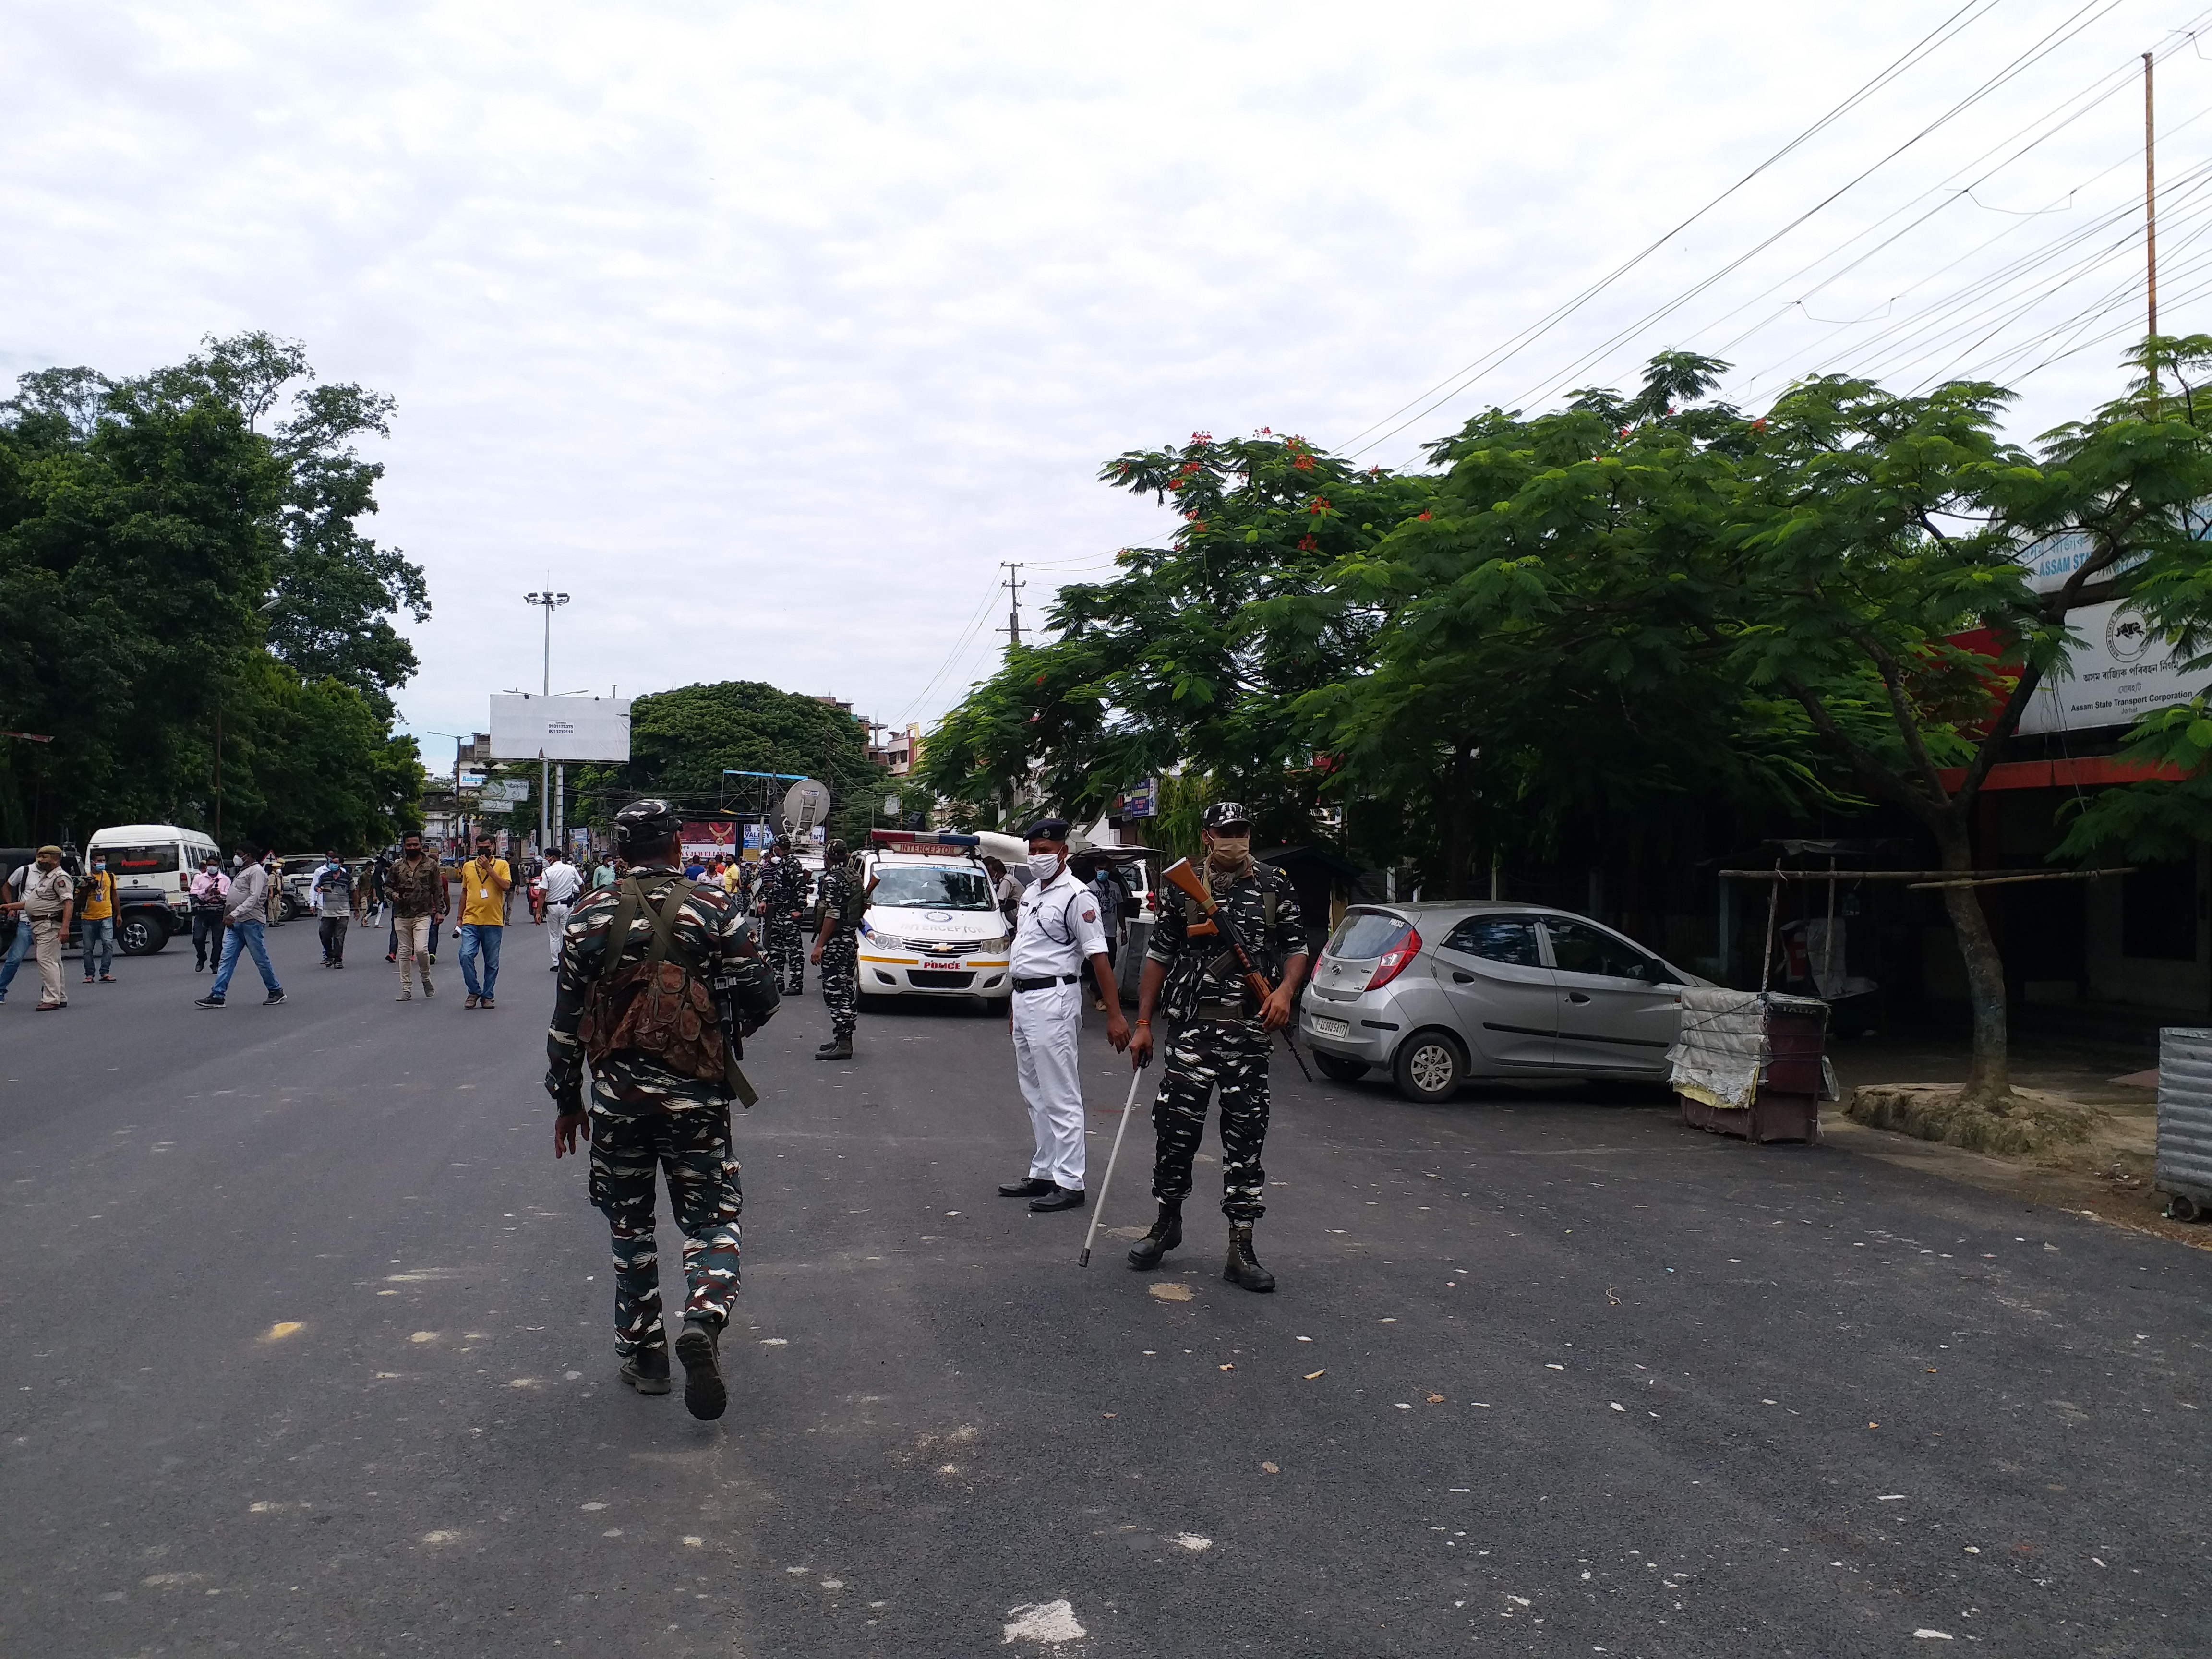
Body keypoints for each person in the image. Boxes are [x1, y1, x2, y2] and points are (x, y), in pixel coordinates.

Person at [547, 798, 779, 1418]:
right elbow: (763, 994)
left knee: (631, 1229)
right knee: (712, 1222)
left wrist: (569, 1102)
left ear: (619, 854)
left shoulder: (587, 915)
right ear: (679, 847)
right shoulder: (714, 906)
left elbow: (567, 1025)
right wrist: (717, 1031)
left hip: (617, 1102)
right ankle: (703, 1318)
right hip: (698, 1097)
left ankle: (646, 1357)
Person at [1126, 803, 1308, 1292]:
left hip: (1249, 1037)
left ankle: (1241, 1246)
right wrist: (1143, 1023)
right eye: (1226, 832)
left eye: (1242, 831)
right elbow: (1158, 957)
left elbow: (1296, 948)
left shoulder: (1275, 884)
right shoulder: (1183, 887)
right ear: (1208, 836)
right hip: (1191, 1034)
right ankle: (1166, 1224)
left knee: (1246, 1141)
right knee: (1175, 1135)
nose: (1235, 839)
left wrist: (1286, 992)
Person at [998, 818, 1130, 1212]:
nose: (1038, 856)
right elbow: (1025, 953)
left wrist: (1116, 1015)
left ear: (1063, 853)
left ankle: (1071, 1181)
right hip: (1025, 998)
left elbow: (1099, 958)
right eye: (1033, 850)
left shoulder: (1077, 896)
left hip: (1054, 999)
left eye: (1045, 850)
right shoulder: (1033, 894)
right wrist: (1012, 1006)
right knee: (1034, 1091)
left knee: (1060, 1093)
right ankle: (1044, 1172)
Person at [196, 840, 285, 1009]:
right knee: (226, 959)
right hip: (235, 923)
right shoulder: (243, 871)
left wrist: (234, 914)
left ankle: (276, 990)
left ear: (249, 855)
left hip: (251, 922)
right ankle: (218, 994)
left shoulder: (257, 872)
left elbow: (254, 898)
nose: (236, 857)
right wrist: (229, 916)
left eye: (239, 854)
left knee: (260, 959)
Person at [808, 840, 866, 1061]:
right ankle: (842, 1036)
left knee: (835, 992)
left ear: (829, 856)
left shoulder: (832, 880)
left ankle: (844, 1043)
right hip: (849, 940)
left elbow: (832, 914)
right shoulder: (854, 876)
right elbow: (862, 906)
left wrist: (820, 945)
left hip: (836, 942)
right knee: (844, 990)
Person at [457, 833, 513, 1009]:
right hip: (470, 920)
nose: (483, 850)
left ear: (494, 847)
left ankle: (488, 995)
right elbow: (465, 893)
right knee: (466, 955)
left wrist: (489, 869)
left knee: (492, 962)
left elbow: (506, 886)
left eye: (487, 847)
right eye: (480, 847)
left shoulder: (502, 865)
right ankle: (474, 991)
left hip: (493, 921)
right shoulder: (467, 866)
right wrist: (459, 918)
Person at [385, 832, 443, 1002]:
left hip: (423, 913)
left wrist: (439, 911)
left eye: (415, 844)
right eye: (409, 845)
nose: (412, 848)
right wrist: (395, 895)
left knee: (420, 949)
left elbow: (437, 889)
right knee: (403, 952)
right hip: (401, 914)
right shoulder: (397, 867)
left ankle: (426, 978)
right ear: (404, 846)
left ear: (421, 844)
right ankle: (406, 988)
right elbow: (387, 887)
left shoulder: (431, 865)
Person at [18, 847, 74, 1010]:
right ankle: (60, 996)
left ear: (56, 859)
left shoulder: (60, 878)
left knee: (46, 960)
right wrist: (11, 906)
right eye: (39, 856)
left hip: (49, 925)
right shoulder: (46, 878)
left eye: (45, 857)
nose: (40, 860)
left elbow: (68, 903)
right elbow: (35, 903)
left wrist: (65, 928)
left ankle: (52, 998)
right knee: (54, 961)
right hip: (40, 924)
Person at [758, 834, 805, 996]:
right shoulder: (784, 864)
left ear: (777, 849)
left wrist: (799, 909)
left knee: (794, 950)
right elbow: (778, 888)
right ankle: (778, 980)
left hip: (789, 914)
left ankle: (796, 983)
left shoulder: (792, 864)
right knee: (776, 948)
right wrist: (765, 900)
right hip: (779, 913)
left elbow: (801, 887)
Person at [77, 851, 118, 986]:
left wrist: (118, 914)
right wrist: (86, 887)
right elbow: (79, 899)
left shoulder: (110, 876)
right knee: (88, 948)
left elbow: (114, 895)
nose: (102, 863)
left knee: (108, 944)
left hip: (106, 915)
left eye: (103, 860)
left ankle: (105, 972)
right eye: (99, 861)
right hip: (88, 917)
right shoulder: (85, 877)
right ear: (92, 862)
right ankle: (89, 974)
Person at [0, 856, 36, 1002]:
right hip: (26, 922)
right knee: (14, 959)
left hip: (47, 922)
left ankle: (51, 993)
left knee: (49, 962)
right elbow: (7, 886)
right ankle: (1, 989)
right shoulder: (25, 871)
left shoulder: (55, 875)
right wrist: (11, 907)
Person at [541, 848, 583, 970]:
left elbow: (542, 893)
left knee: (554, 936)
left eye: (547, 856)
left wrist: (539, 912)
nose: (545, 859)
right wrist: (580, 900)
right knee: (566, 935)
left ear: (552, 858)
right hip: (567, 906)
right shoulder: (571, 870)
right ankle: (567, 962)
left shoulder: (547, 872)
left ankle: (556, 963)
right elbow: (581, 885)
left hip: (551, 907)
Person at [313, 850, 353, 967]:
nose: (333, 864)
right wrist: (318, 890)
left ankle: (338, 960)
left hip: (343, 911)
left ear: (341, 864)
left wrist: (356, 909)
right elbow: (316, 886)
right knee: (324, 933)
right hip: (327, 911)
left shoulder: (347, 877)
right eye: (331, 862)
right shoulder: (324, 876)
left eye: (335, 862)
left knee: (338, 936)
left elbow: (354, 891)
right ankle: (329, 955)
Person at [187, 858, 229, 972]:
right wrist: (205, 891)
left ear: (218, 866)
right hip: (202, 912)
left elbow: (231, 895)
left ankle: (215, 964)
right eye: (210, 865)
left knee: (218, 941)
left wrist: (220, 893)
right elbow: (193, 892)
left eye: (214, 865)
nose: (212, 867)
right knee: (198, 938)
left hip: (218, 913)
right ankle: (201, 957)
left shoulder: (225, 880)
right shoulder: (199, 878)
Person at [984, 855, 1020, 929]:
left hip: (1018, 918)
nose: (990, 876)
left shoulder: (1006, 882)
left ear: (997, 873)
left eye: (991, 873)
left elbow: (998, 902)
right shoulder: (1005, 880)